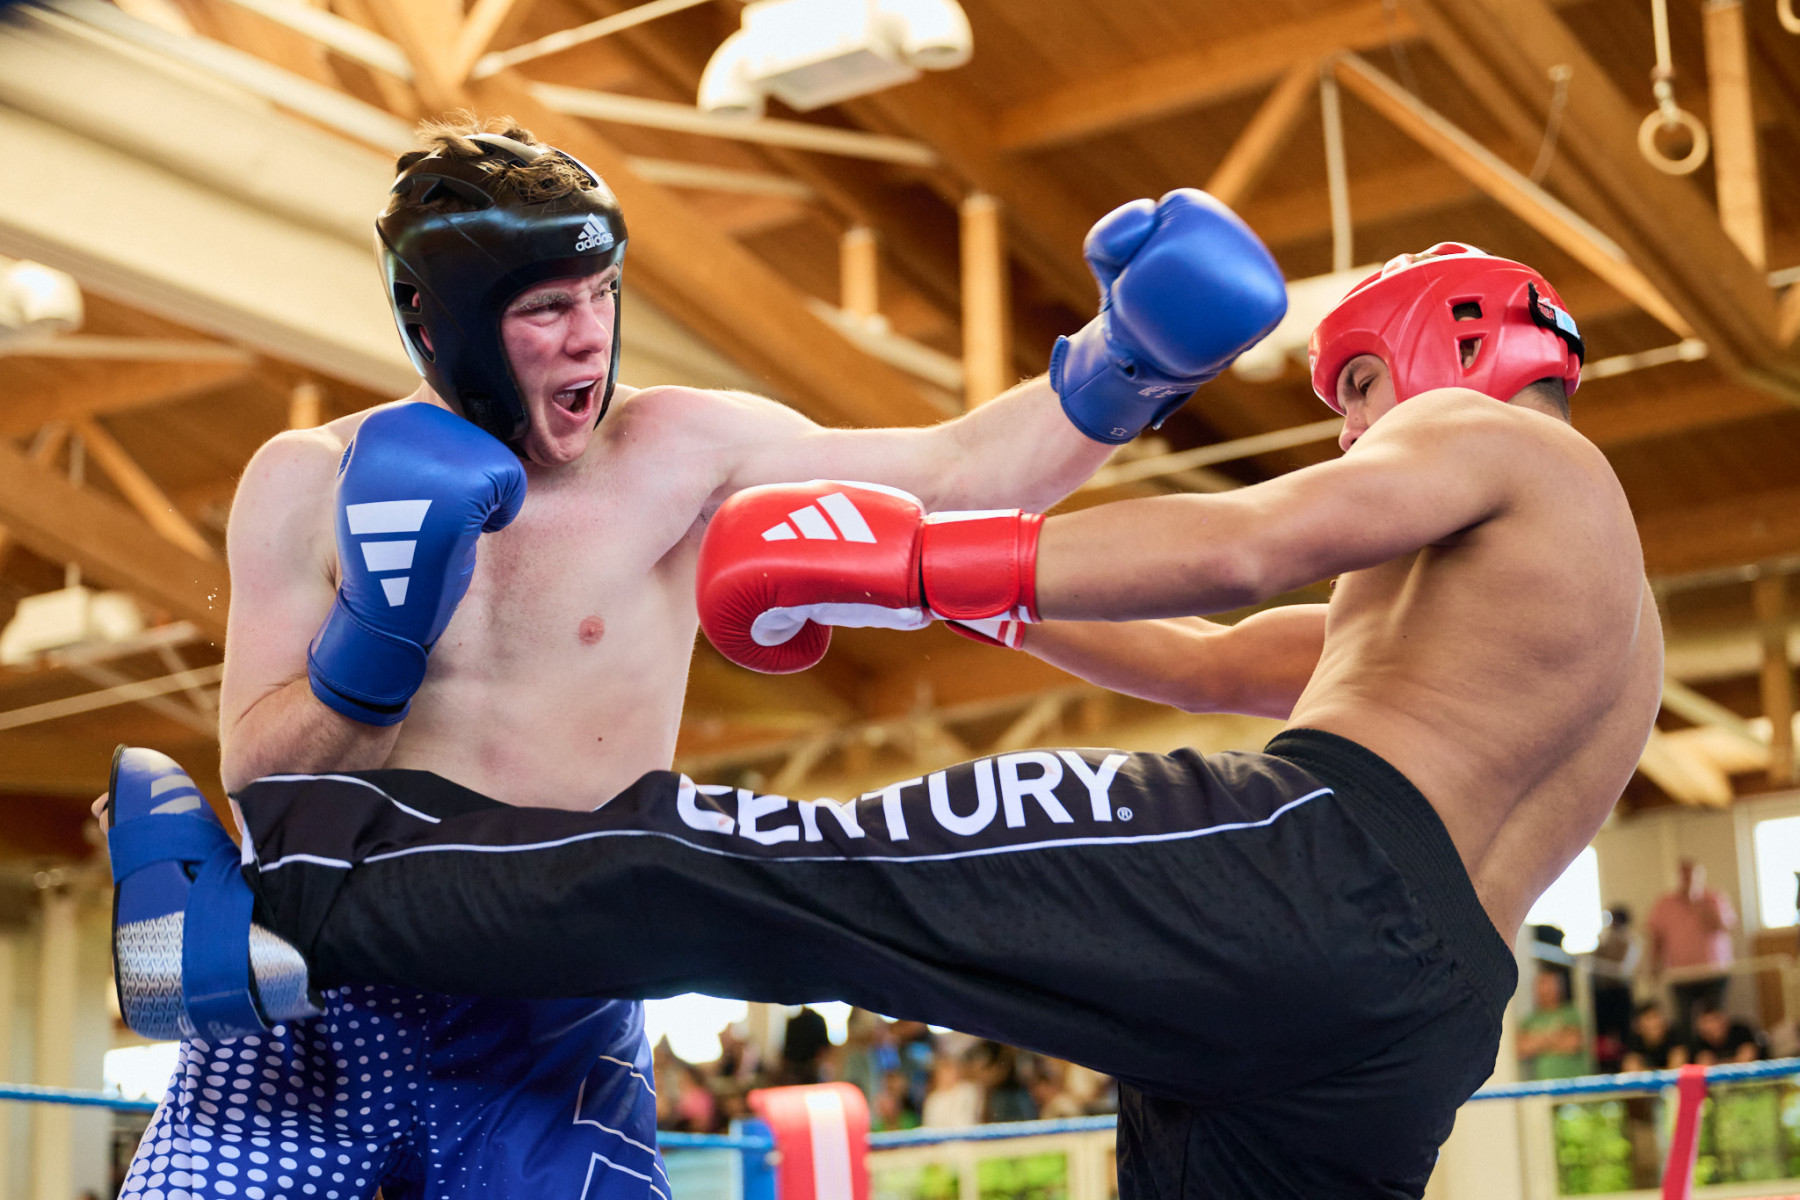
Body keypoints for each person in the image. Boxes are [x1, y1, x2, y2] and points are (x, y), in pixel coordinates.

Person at [110, 241, 1659, 1198]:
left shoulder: (1498, 441)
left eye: (1362, 381)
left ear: (1461, 344)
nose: (1356, 419)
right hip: (1410, 1026)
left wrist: (920, 562)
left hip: (1311, 866)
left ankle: (285, 910)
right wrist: (958, 600)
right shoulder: (1578, 629)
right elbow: (1216, 660)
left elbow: (1251, 544)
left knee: (776, 868)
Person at [102, 111, 1286, 1200]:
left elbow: (963, 475)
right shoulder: (307, 481)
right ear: (434, 321)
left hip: (556, 1019)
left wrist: (1130, 357)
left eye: (603, 291)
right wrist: (376, 639)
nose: (591, 335)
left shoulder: (679, 451)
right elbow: (262, 774)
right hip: (318, 1001)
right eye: (546, 308)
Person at [1647, 859, 1736, 1036]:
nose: (1687, 880)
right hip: (1681, 974)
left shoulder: (1714, 898)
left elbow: (1722, 926)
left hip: (1713, 972)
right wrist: (1654, 964)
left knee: (1713, 1018)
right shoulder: (1664, 903)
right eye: (1684, 875)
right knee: (1685, 1019)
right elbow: (1657, 937)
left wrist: (1698, 903)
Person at [1516, 967, 1589, 1080]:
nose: (1546, 990)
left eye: (1551, 985)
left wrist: (1537, 1040)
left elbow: (1573, 1043)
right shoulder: (1530, 1020)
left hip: (1573, 1082)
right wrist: (1556, 1036)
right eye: (1542, 984)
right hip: (1544, 1083)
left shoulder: (1571, 1013)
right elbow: (1522, 1048)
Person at [1686, 999, 1765, 1065]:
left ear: (1724, 1018)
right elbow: (1703, 1066)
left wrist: (1716, 1064)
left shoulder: (1741, 1032)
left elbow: (1746, 1060)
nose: (1713, 1026)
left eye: (1715, 1019)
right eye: (1707, 1021)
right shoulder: (1697, 1043)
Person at [1620, 1000, 1685, 1071]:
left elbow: (1676, 1070)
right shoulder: (1634, 1043)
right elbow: (1631, 1069)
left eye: (1656, 1016)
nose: (1655, 1022)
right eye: (1648, 1018)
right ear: (1638, 1026)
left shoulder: (1676, 1037)